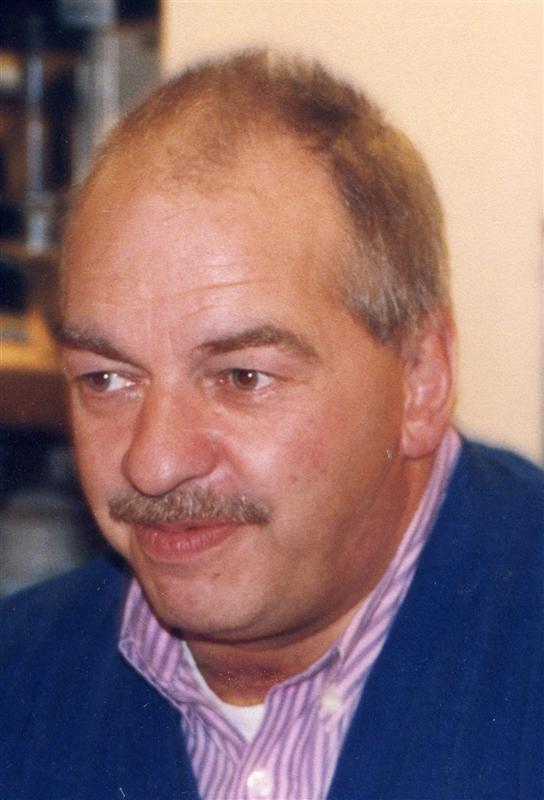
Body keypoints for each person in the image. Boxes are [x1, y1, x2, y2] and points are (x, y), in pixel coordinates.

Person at [1, 50, 542, 800]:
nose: (153, 463)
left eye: (242, 377)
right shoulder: (20, 686)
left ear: (420, 379)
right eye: (107, 379)